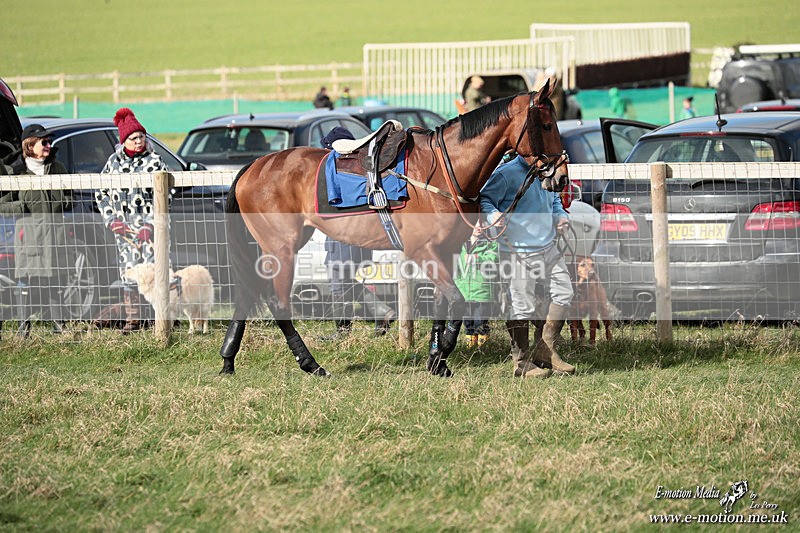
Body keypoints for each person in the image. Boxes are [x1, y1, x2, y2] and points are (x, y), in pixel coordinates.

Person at [480, 153, 576, 379]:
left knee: (565, 293)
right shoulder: (506, 174)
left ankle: (546, 349)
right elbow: (485, 200)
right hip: (517, 251)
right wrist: (494, 216)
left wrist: (560, 216)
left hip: (548, 247)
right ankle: (521, 362)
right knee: (521, 305)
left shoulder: (546, 170)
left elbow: (554, 200)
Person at [95, 108, 169, 334]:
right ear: (124, 141)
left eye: (142, 137)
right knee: (129, 272)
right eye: (134, 138)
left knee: (155, 271)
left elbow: (166, 194)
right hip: (124, 230)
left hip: (151, 229)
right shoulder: (113, 163)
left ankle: (161, 317)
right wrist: (112, 221)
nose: (139, 141)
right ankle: (133, 319)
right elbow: (101, 193)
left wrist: (150, 224)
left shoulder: (155, 162)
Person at [320, 126, 395, 338]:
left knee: (338, 286)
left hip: (342, 236)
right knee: (345, 283)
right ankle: (382, 312)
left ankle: (342, 332)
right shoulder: (360, 170)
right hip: (357, 237)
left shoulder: (335, 170)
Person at [0, 124, 73, 337]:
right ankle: (23, 329)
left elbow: (70, 197)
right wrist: (22, 207)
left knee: (55, 279)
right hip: (29, 237)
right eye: (44, 142)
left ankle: (59, 327)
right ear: (30, 145)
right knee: (25, 281)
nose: (48, 145)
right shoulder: (16, 172)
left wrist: (63, 203)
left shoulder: (57, 167)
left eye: (49, 142)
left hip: (55, 235)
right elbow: (2, 204)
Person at [454, 223, 499, 348]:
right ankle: (470, 348)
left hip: (482, 291)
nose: (479, 228)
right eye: (475, 225)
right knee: (467, 322)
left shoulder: (490, 244)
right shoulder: (459, 244)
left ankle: (483, 348)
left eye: (482, 225)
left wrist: (476, 258)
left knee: (480, 322)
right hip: (464, 291)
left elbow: (492, 259)